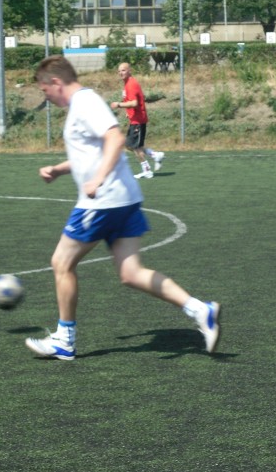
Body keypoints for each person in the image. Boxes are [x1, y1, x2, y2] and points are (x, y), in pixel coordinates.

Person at [25, 55, 220, 361]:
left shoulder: (85, 102)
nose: (45, 96)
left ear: (56, 82)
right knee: (131, 273)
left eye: (44, 90)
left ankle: (64, 339)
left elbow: (115, 139)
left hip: (102, 202)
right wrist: (59, 170)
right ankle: (200, 310)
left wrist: (97, 180)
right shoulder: (82, 104)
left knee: (61, 262)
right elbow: (91, 154)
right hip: (124, 199)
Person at [110, 62, 165, 179]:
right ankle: (155, 155)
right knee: (130, 145)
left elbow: (134, 103)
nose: (120, 73)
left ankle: (147, 170)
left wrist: (119, 104)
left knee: (135, 147)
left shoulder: (131, 84)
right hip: (135, 120)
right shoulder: (127, 84)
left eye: (123, 70)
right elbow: (134, 101)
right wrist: (128, 112)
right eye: (119, 71)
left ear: (129, 71)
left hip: (138, 121)